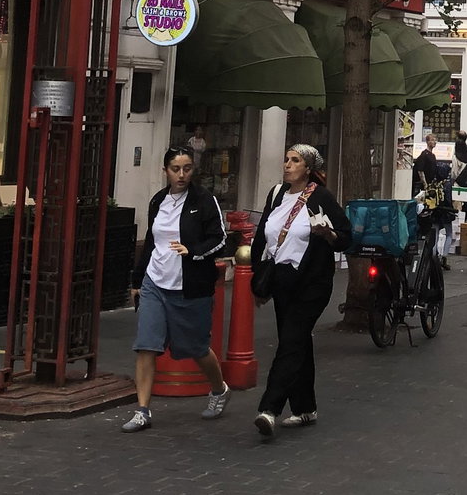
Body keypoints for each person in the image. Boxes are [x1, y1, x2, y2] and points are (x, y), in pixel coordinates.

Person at [123, 148, 230, 432]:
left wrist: (192, 251)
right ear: (165, 170)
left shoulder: (204, 200)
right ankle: (142, 410)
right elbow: (151, 243)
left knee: (195, 347)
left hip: (189, 287)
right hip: (155, 283)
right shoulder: (158, 200)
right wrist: (137, 281)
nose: (181, 175)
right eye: (175, 168)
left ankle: (219, 389)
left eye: (187, 168)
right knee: (146, 345)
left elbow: (220, 239)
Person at [251, 144, 352, 439]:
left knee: (291, 342)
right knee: (296, 342)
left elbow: (345, 237)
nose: (288, 165)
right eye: (286, 159)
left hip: (312, 283)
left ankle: (269, 408)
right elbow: (262, 238)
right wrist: (257, 280)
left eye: (295, 161)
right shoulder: (277, 194)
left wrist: (328, 233)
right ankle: (305, 408)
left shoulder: (320, 197)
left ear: (308, 168)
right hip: (282, 281)